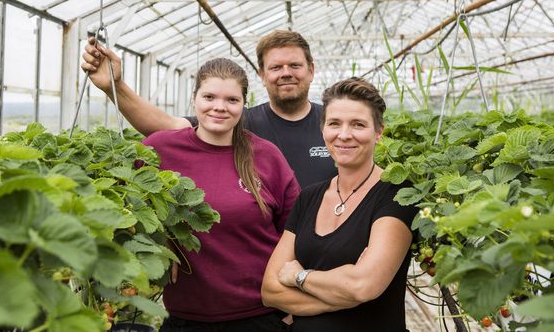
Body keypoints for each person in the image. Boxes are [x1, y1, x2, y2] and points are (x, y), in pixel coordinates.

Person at [143, 57, 300, 330]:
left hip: (260, 314)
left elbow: (296, 231)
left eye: (231, 100)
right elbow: (131, 206)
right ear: (194, 99)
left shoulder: (265, 156)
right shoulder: (159, 149)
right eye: (209, 96)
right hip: (185, 317)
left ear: (243, 104)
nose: (219, 107)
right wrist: (160, 240)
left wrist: (289, 312)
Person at [81, 30, 336, 188]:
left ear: (311, 70)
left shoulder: (335, 124)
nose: (286, 74)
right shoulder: (239, 121)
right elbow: (166, 126)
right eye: (276, 67)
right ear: (262, 74)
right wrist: (115, 86)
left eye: (294, 65)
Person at [261, 78, 417, 332]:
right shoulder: (309, 197)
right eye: (334, 123)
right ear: (323, 129)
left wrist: (299, 276)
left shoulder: (397, 194)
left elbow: (362, 285)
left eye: (358, 124)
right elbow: (271, 291)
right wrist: (343, 295)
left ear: (379, 132)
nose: (344, 135)